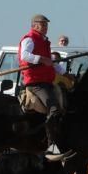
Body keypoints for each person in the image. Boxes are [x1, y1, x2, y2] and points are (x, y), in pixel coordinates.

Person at [19, 14, 62, 150]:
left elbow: (51, 62)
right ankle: (51, 146)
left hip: (46, 81)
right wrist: (42, 59)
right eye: (43, 24)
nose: (45, 27)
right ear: (34, 25)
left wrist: (65, 73)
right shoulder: (30, 39)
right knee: (54, 109)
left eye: (46, 25)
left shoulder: (44, 41)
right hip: (36, 83)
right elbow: (24, 55)